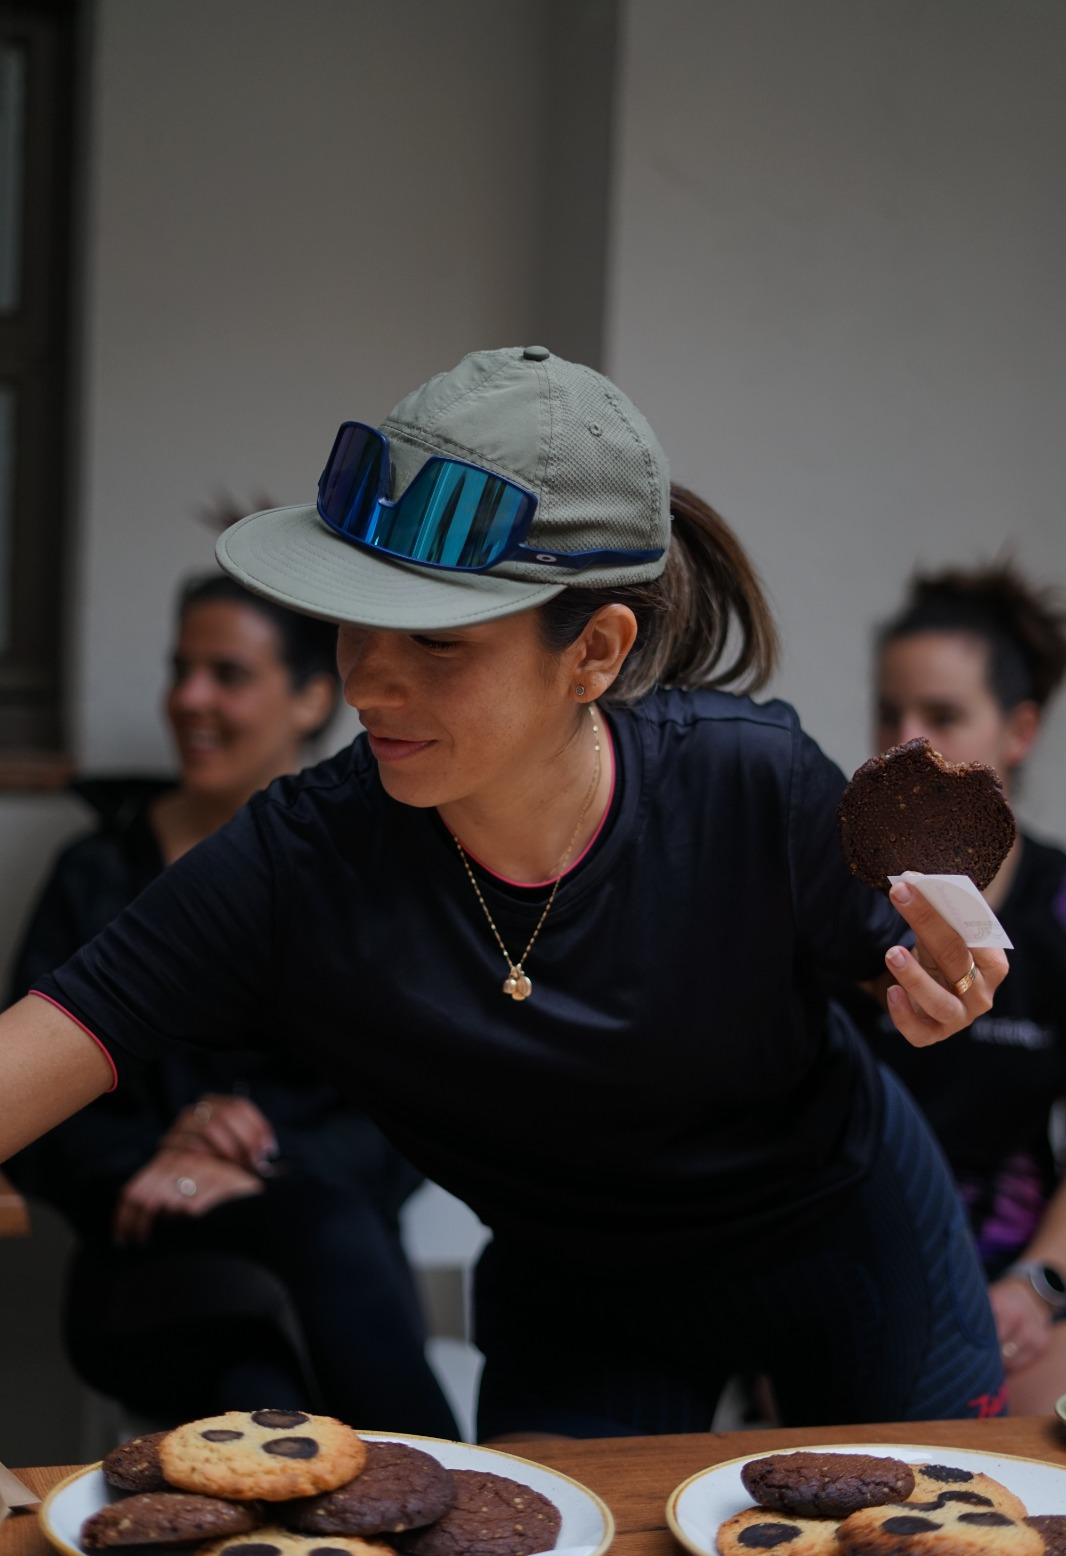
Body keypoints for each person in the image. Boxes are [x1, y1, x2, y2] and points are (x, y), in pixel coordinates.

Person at [0, 345, 1011, 1439]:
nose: (369, 682)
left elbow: (916, 960)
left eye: (438, 642)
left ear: (595, 652)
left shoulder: (747, 781)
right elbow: (50, 1043)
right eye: (355, 621)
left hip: (841, 1244)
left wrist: (943, 981)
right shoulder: (300, 863)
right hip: (585, 1298)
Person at [3, 571, 457, 1437]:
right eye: (181, 669)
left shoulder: (378, 875)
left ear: (314, 696)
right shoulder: (97, 872)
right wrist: (164, 1167)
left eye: (228, 674)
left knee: (271, 1346)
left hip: (334, 1259)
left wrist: (260, 1159)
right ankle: (460, 1508)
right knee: (274, 1317)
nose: (188, 699)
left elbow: (420, 1113)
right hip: (145, 1260)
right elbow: (37, 1115)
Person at [840, 561, 1066, 1415]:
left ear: (1020, 729)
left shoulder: (1059, 904)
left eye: (943, 716)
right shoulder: (841, 898)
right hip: (845, 1270)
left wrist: (1038, 1288)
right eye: (889, 713)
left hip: (1017, 1276)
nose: (908, 740)